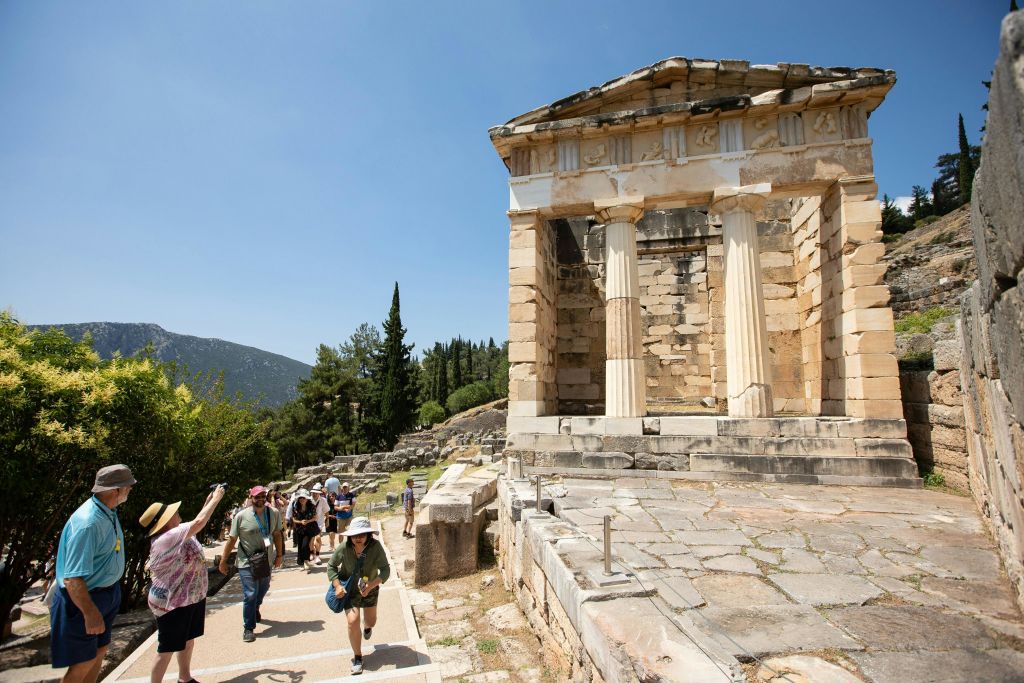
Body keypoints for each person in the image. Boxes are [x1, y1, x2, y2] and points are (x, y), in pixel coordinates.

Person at [50, 464, 136, 683]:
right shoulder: (88, 522)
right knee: (83, 661)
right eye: (128, 487)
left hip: (106, 593)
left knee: (99, 651)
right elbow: (72, 577)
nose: (130, 491)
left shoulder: (108, 511)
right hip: (85, 600)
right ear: (116, 490)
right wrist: (89, 612)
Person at [139, 485, 225, 683]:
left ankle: (184, 678)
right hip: (172, 601)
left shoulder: (176, 532)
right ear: (165, 521)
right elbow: (198, 522)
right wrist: (217, 499)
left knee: (188, 640)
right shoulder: (166, 538)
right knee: (166, 648)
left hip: (188, 597)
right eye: (172, 512)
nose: (177, 513)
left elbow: (199, 521)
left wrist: (208, 501)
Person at [218, 486, 284, 643]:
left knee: (263, 588)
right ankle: (248, 627)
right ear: (251, 497)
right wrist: (223, 560)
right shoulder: (241, 516)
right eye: (257, 497)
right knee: (250, 593)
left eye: (263, 496)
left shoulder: (273, 513)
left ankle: (255, 607)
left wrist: (279, 555)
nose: (260, 499)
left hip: (265, 560)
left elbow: (277, 534)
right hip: (246, 560)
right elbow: (232, 539)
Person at [327, 517, 390, 676]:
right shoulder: (344, 547)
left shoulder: (375, 547)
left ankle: (367, 627)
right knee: (352, 621)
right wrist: (337, 586)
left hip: (370, 587)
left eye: (362, 534)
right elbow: (331, 566)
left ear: (368, 534)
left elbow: (385, 570)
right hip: (349, 590)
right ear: (350, 536)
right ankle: (357, 657)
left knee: (371, 621)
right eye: (355, 534)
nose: (358, 537)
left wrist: (371, 585)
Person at [291, 490, 316, 569]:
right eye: (300, 498)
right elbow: (294, 519)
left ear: (307, 498)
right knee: (300, 546)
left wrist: (308, 521)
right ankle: (302, 561)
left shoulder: (312, 506)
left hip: (309, 529)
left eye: (304, 497)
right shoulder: (295, 507)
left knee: (305, 545)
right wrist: (301, 522)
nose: (302, 499)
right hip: (299, 529)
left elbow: (315, 517)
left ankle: (306, 561)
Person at [310, 484, 330, 562]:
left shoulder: (323, 500)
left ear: (319, 493)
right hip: (310, 522)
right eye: (313, 493)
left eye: (316, 493)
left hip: (319, 523)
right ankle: (312, 553)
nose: (314, 494)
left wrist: (327, 520)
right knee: (311, 540)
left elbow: (326, 511)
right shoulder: (308, 500)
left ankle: (317, 555)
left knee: (317, 538)